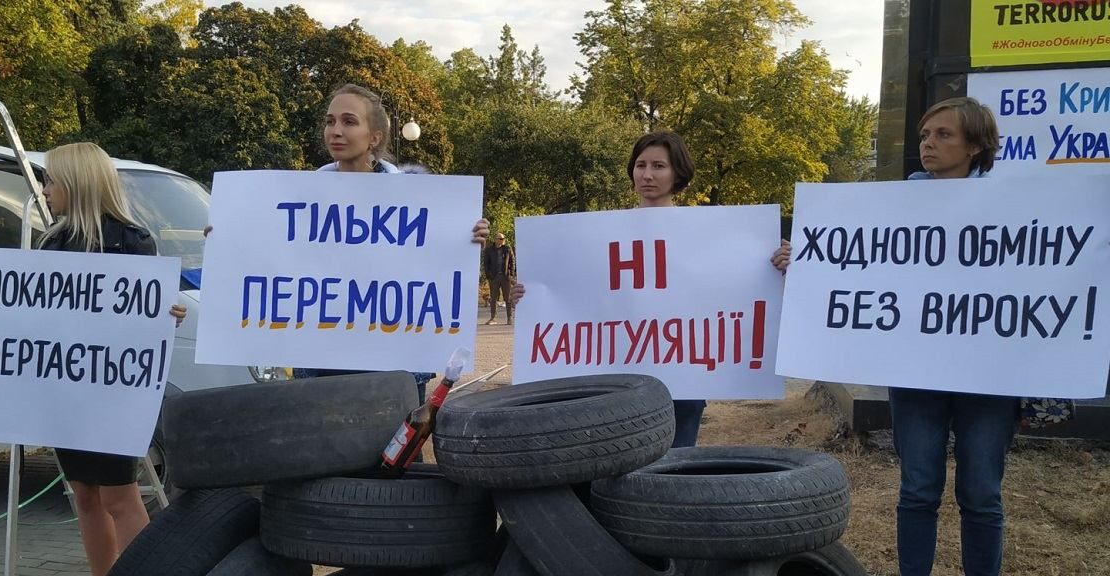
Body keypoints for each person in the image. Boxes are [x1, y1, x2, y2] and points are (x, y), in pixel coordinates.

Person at [512, 131, 787, 448]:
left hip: (683, 382)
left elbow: (734, 288)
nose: (647, 174)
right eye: (640, 165)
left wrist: (776, 266)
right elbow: (578, 296)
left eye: (659, 166)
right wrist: (532, 298)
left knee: (669, 477)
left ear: (677, 173)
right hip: (617, 382)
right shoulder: (597, 235)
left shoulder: (709, 233)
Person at [879, 97, 1018, 576]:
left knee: (982, 494)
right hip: (916, 371)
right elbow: (858, 259)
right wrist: (804, 259)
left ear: (977, 145)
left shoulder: (1013, 206)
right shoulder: (894, 205)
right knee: (918, 488)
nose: (928, 143)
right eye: (924, 133)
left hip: (988, 375)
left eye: (943, 135)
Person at [39, 142, 187, 576]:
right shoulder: (50, 245)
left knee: (120, 496)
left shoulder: (132, 241)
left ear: (77, 184)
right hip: (66, 391)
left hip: (113, 392)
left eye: (52, 180)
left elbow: (148, 312)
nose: (45, 190)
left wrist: (166, 314)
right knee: (83, 496)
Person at [289, 83, 489, 403]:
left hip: (394, 362)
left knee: (396, 449)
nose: (335, 131)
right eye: (330, 121)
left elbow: (436, 270)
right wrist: (228, 240)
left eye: (349, 121)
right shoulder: (297, 199)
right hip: (324, 360)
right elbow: (275, 265)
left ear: (375, 137)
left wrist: (465, 240)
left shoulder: (418, 199)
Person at [483, 232, 515, 325]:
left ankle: (509, 318)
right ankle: (493, 318)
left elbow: (512, 261)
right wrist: (488, 275)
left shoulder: (507, 249)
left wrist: (511, 274)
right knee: (493, 298)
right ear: (495, 239)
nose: (502, 240)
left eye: (503, 238)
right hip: (494, 277)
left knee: (507, 298)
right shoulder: (489, 250)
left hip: (505, 277)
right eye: (500, 238)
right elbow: (486, 263)